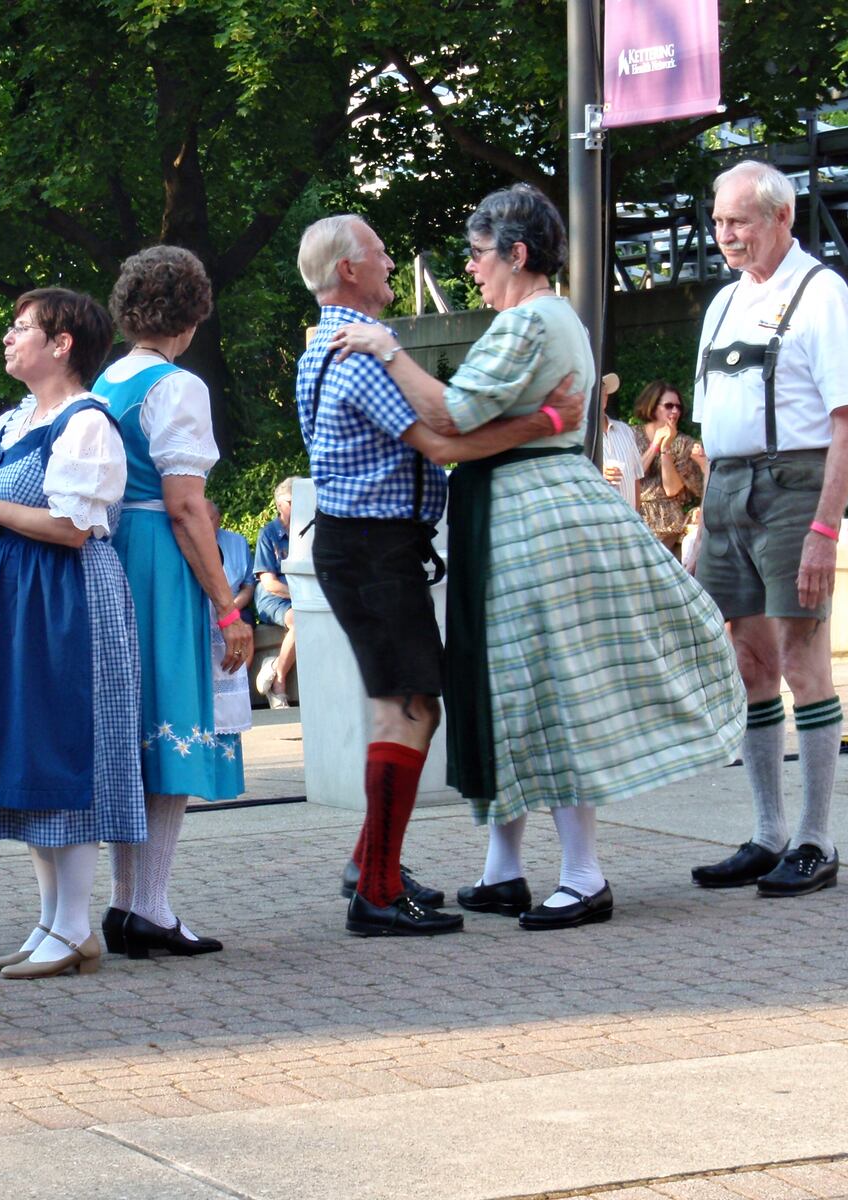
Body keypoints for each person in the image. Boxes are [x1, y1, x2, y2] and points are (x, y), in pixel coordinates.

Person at [330, 186, 744, 931]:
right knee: (506, 689)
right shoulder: (549, 319)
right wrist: (543, 420)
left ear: (518, 254)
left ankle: (583, 874)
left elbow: (450, 415)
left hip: (529, 514)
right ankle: (505, 869)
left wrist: (389, 350)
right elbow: (464, 426)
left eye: (482, 254)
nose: (472, 267)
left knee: (547, 686)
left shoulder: (529, 321)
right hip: (521, 505)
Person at [298, 211, 585, 938]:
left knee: (407, 705)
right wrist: (548, 421)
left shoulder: (323, 347)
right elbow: (443, 436)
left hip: (363, 546)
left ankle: (373, 868)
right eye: (382, 252)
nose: (393, 261)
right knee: (410, 710)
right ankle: (378, 891)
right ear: (350, 271)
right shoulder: (360, 354)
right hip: (372, 549)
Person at [0, 288, 141, 980]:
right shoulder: (20, 419)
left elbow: (74, 530)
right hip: (17, 599)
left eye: (22, 328)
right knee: (26, 751)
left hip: (60, 601)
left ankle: (76, 925)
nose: (9, 338)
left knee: (58, 749)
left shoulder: (86, 424)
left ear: (62, 344)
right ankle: (53, 921)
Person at [688, 160, 848, 899]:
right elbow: (707, 431)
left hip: (794, 485)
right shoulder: (724, 303)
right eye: (721, 222)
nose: (727, 235)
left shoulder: (822, 293)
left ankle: (817, 839)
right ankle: (768, 834)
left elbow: (847, 423)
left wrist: (826, 528)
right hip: (728, 488)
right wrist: (704, 516)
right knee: (747, 663)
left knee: (800, 658)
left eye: (741, 222)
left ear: (781, 218)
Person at [93, 245, 253, 958]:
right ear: (191, 316)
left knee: (136, 734)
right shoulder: (178, 386)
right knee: (172, 725)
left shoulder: (108, 381)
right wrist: (226, 604)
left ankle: (129, 905)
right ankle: (148, 905)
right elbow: (186, 505)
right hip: (161, 557)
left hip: (112, 556)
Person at [633, 379, 705, 554]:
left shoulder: (684, 443)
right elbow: (633, 474)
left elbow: (672, 489)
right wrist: (655, 445)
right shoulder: (630, 435)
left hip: (668, 525)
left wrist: (665, 449)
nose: (675, 411)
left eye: (678, 407)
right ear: (652, 406)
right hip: (635, 518)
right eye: (669, 405)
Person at [211, 500, 255, 736]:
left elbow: (248, 585)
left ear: (219, 519)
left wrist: (231, 609)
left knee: (244, 628)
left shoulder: (236, 541)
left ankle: (238, 689)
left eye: (211, 519)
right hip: (207, 606)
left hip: (236, 603)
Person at [252, 479, 297, 708]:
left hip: (301, 597)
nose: (299, 505)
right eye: (292, 501)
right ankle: (279, 682)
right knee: (300, 622)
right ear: (280, 505)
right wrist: (299, 595)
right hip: (273, 598)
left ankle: (273, 664)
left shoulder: (310, 532)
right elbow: (269, 583)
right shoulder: (268, 534)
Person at [599, 373, 643, 512]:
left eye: (604, 392)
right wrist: (599, 473)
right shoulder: (579, 435)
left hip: (628, 523)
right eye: (597, 392)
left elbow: (636, 478)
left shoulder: (625, 430)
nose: (602, 396)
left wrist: (636, 519)